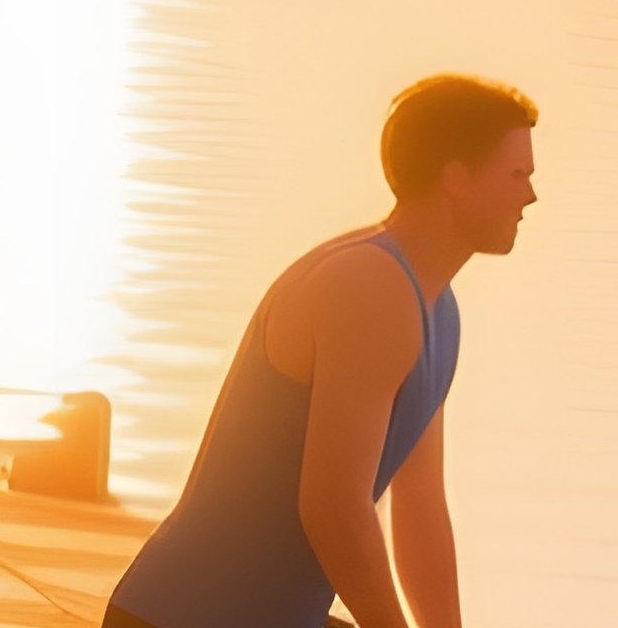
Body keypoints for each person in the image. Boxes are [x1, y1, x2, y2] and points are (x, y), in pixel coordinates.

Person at [106, 73, 539, 628]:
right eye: (517, 174)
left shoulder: (436, 308)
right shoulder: (370, 284)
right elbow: (334, 508)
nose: (530, 194)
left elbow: (422, 511)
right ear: (456, 178)